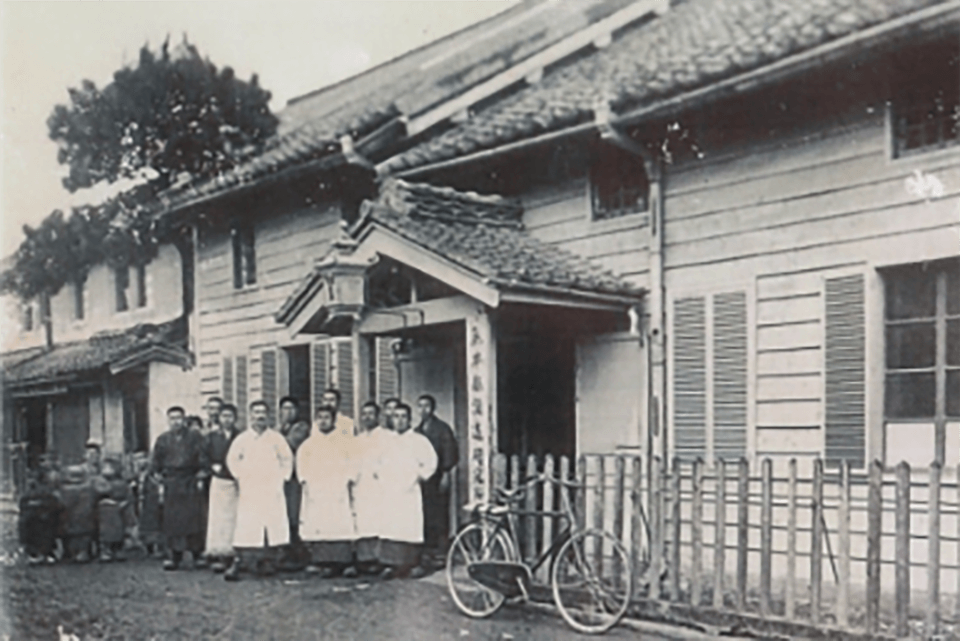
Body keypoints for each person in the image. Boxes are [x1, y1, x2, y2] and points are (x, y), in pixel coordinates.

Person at [224, 400, 293, 582]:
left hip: (271, 487)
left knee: (271, 523)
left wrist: (282, 478)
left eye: (263, 412)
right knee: (249, 524)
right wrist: (241, 476)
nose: (260, 416)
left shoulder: (276, 438)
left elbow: (287, 459)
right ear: (250, 415)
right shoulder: (243, 439)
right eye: (256, 412)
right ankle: (244, 561)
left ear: (268, 416)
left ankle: (269, 561)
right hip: (251, 487)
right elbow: (232, 460)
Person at [371, 402, 437, 579]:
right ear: (391, 419)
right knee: (390, 527)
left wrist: (419, 476)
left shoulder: (419, 440)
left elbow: (431, 463)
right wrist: (381, 477)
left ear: (409, 419)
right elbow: (375, 463)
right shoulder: (385, 441)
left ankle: (411, 564)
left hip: (409, 491)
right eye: (396, 417)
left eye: (403, 417)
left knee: (409, 527)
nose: (399, 421)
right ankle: (390, 564)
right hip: (389, 491)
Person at [297, 405, 357, 578]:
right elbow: (301, 464)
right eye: (320, 417)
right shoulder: (309, 444)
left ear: (333, 420)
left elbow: (353, 462)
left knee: (339, 523)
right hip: (317, 490)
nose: (323, 421)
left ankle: (343, 562)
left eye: (327, 417)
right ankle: (322, 562)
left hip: (337, 489)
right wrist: (305, 481)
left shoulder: (344, 442)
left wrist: (347, 480)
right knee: (319, 524)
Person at [151, 406, 210, 570]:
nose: (176, 422)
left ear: (184, 420)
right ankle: (174, 556)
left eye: (179, 418)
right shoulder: (163, 439)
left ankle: (197, 554)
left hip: (190, 479)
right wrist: (158, 478)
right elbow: (156, 462)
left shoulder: (195, 437)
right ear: (168, 421)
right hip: (172, 481)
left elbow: (203, 458)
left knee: (194, 519)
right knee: (173, 521)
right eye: (172, 418)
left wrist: (201, 475)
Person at [415, 394, 459, 569]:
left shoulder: (442, 429)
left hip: (439, 477)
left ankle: (442, 552)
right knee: (425, 513)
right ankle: (428, 551)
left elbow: (450, 452)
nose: (423, 410)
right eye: (420, 406)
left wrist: (447, 474)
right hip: (422, 480)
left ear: (433, 408)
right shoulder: (417, 431)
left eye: (426, 406)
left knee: (440, 514)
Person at [352, 401, 395, 575]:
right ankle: (364, 559)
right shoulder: (358, 440)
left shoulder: (387, 437)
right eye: (364, 414)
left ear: (378, 417)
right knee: (362, 521)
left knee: (379, 521)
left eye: (371, 414)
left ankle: (379, 559)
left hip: (379, 486)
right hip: (361, 485)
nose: (367, 417)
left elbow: (391, 461)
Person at [205, 403, 242, 572]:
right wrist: (212, 466)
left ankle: (236, 553)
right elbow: (203, 456)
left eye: (230, 416)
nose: (227, 420)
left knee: (235, 517)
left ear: (235, 419)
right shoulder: (212, 437)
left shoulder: (241, 437)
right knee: (219, 518)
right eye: (224, 416)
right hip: (219, 480)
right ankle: (219, 555)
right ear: (219, 419)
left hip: (237, 481)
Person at [277, 396, 311, 570]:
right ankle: (285, 553)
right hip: (281, 478)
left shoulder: (301, 427)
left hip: (296, 477)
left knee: (295, 513)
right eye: (284, 409)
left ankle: (300, 555)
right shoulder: (278, 430)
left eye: (291, 409)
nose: (288, 412)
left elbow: (288, 445)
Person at [93, 458, 136, 562]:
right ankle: (106, 550)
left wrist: (126, 505)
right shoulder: (99, 481)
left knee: (119, 530)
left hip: (120, 509)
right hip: (105, 510)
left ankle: (117, 549)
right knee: (105, 532)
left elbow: (129, 496)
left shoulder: (123, 483)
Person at [18, 469, 63, 565]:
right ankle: (46, 553)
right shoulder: (49, 494)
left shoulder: (27, 495)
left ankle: (36, 554)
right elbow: (57, 508)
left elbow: (22, 509)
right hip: (45, 525)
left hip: (32, 526)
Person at [59, 464, 97, 563]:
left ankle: (72, 553)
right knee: (84, 537)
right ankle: (83, 552)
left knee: (72, 537)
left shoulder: (64, 489)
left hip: (70, 518)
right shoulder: (89, 487)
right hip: (86, 518)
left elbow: (63, 504)